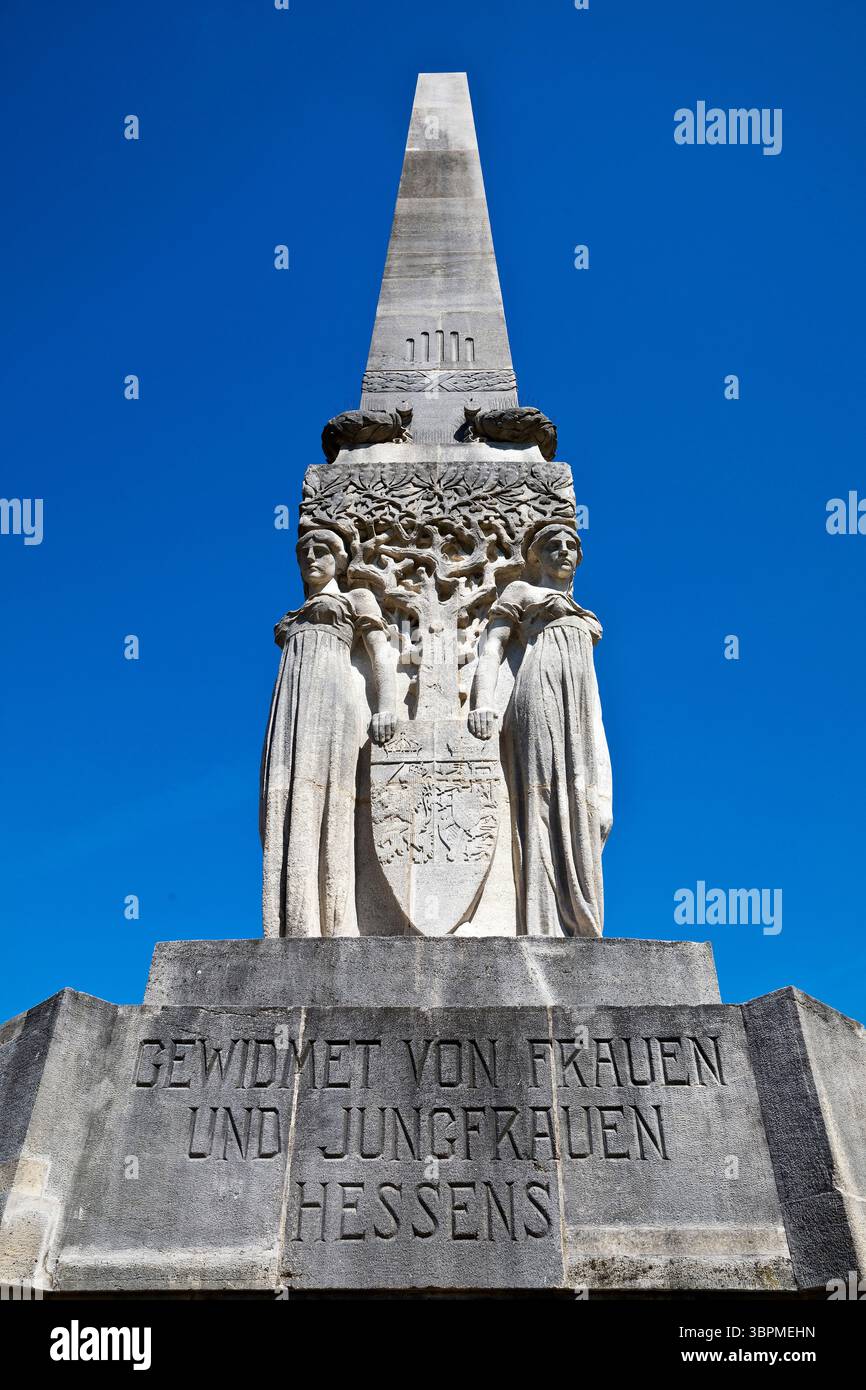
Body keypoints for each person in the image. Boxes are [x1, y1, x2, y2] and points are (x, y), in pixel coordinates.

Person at [468, 523, 612, 937]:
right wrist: (482, 702)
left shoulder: (584, 615)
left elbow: (595, 709)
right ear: (536, 556)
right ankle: (543, 924)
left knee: (593, 812)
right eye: (553, 545)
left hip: (581, 709)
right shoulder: (522, 594)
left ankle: (582, 923)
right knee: (542, 799)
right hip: (539, 691)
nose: (564, 551)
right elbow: (492, 647)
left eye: (571, 545)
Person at [260, 529, 396, 936]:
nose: (312, 557)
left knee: (329, 800)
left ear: (340, 559)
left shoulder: (356, 600)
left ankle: (331, 921)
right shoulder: (294, 613)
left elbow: (381, 656)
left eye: (323, 551)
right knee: (280, 802)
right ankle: (291, 919)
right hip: (289, 706)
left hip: (333, 698)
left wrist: (387, 707)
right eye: (305, 551)